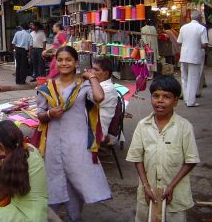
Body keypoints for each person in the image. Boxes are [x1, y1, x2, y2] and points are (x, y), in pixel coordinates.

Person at [36, 46, 111, 221]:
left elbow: (99, 97)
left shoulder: (83, 86)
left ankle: (74, 217)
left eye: (68, 60)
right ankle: (50, 217)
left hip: (77, 143)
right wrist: (49, 114)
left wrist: (92, 76)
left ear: (76, 62)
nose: (64, 63)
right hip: (53, 143)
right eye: (60, 59)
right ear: (56, 62)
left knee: (75, 182)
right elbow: (39, 114)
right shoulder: (48, 87)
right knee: (53, 180)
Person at [126, 76, 200, 222]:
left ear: (175, 101)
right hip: (148, 193)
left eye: (166, 97)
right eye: (156, 96)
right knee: (144, 218)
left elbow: (191, 160)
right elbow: (137, 157)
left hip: (175, 194)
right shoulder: (142, 125)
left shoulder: (184, 127)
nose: (160, 100)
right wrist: (146, 186)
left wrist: (171, 186)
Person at [0, 120, 48, 222]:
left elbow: (1, 194)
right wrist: (2, 157)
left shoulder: (12, 162)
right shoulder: (31, 148)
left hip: (24, 215)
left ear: (2, 145)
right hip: (39, 212)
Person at [177, 10, 208, 107]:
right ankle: (191, 101)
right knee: (193, 78)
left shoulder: (183, 27)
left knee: (184, 78)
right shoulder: (201, 28)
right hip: (195, 56)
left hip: (184, 55)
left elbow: (179, 42)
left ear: (190, 17)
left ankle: (187, 99)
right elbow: (204, 44)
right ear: (199, 18)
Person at [91, 56, 118, 141]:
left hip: (96, 133)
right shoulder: (100, 85)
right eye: (92, 69)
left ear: (106, 73)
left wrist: (90, 78)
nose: (92, 72)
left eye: (96, 70)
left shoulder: (107, 89)